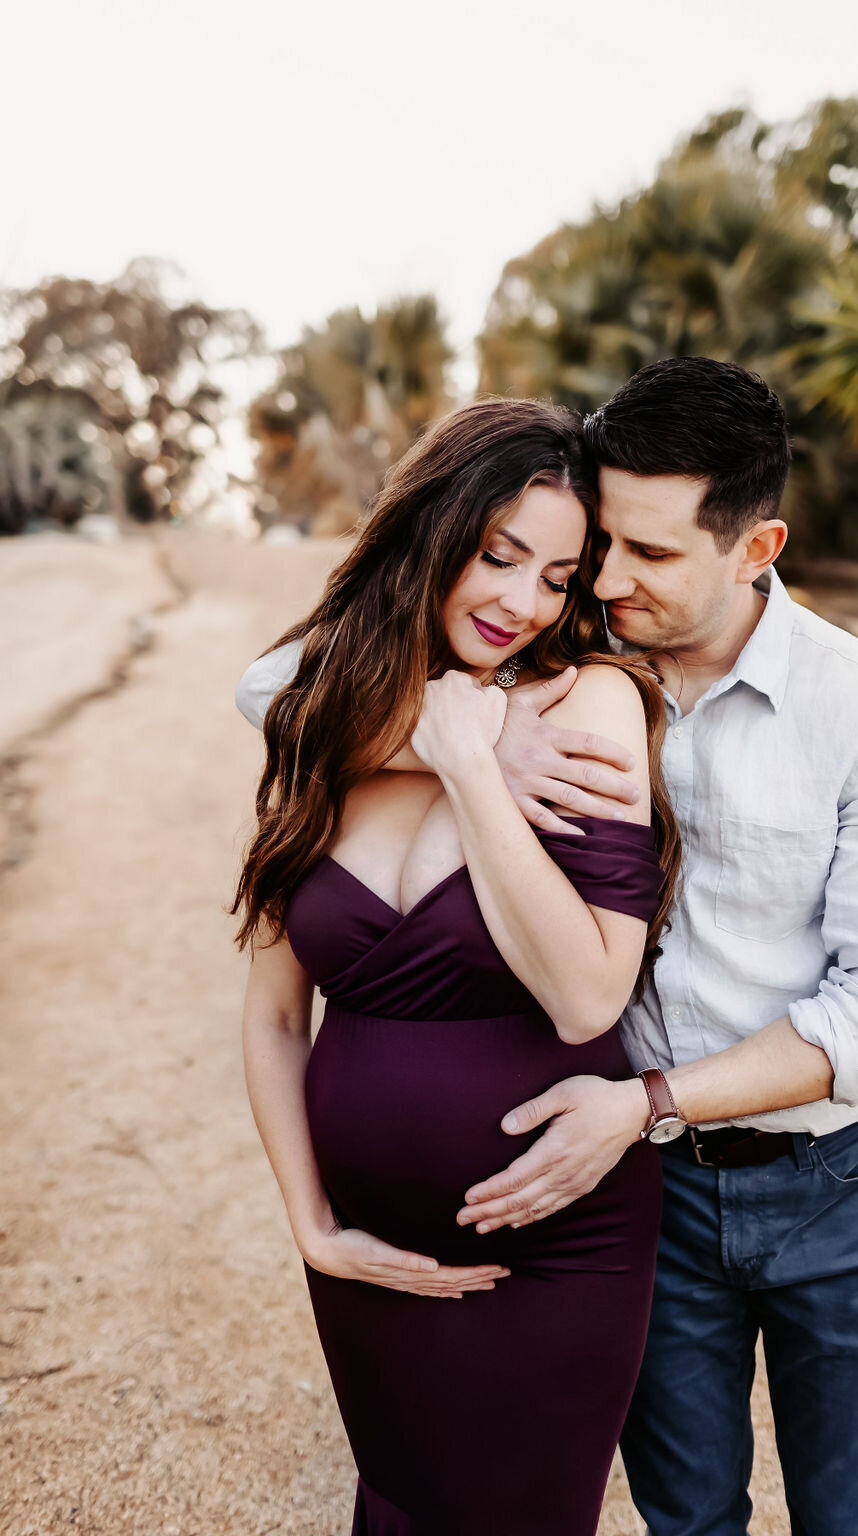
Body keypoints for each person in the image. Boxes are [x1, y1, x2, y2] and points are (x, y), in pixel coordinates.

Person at [238, 359, 858, 1536]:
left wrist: (648, 1102)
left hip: (831, 1181)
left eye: (652, 556)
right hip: (652, 1183)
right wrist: (453, 751)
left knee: (850, 1515)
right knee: (683, 1517)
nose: (609, 582)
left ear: (756, 546)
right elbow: (277, 683)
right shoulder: (563, 651)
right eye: (600, 549)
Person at [232, 397, 683, 1536]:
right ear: (434, 533)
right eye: (498, 557)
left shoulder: (588, 703)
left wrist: (474, 770)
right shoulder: (327, 726)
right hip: (367, 1258)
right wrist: (312, 1225)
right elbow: (279, 1017)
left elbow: (586, 993)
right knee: (396, 1506)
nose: (521, 604)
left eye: (556, 578)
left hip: (553, 1246)